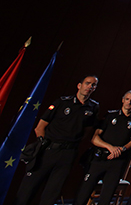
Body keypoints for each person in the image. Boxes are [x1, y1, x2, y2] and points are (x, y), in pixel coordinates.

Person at [14, 75, 99, 205]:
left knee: (52, 192)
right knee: (28, 188)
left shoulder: (93, 107)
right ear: (79, 85)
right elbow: (40, 127)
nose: (90, 87)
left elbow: (87, 131)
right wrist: (42, 143)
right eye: (87, 83)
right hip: (48, 149)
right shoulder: (62, 102)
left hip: (68, 153)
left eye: (93, 85)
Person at [75, 90, 131, 205]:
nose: (129, 102)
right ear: (122, 100)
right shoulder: (110, 115)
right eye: (127, 99)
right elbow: (95, 138)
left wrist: (121, 149)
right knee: (84, 192)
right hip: (100, 158)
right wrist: (110, 147)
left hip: (118, 160)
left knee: (107, 196)